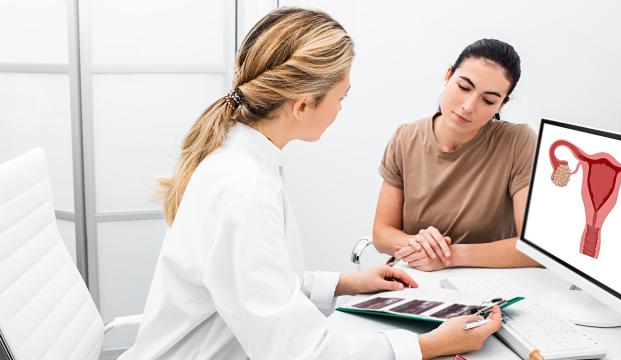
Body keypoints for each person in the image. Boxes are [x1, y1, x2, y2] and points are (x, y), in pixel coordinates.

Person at [120, 8, 501, 360]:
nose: (340, 108)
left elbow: (256, 285)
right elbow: (299, 352)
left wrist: (346, 284)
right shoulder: (244, 189)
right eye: (341, 96)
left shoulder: (242, 158)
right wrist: (432, 344)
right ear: (302, 105)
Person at [373, 39, 540, 272]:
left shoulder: (518, 142)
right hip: (415, 278)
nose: (469, 106)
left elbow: (532, 248)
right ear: (448, 75)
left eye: (489, 100)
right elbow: (382, 233)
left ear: (502, 104)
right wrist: (421, 245)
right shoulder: (406, 138)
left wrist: (449, 255)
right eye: (464, 87)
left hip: (486, 286)